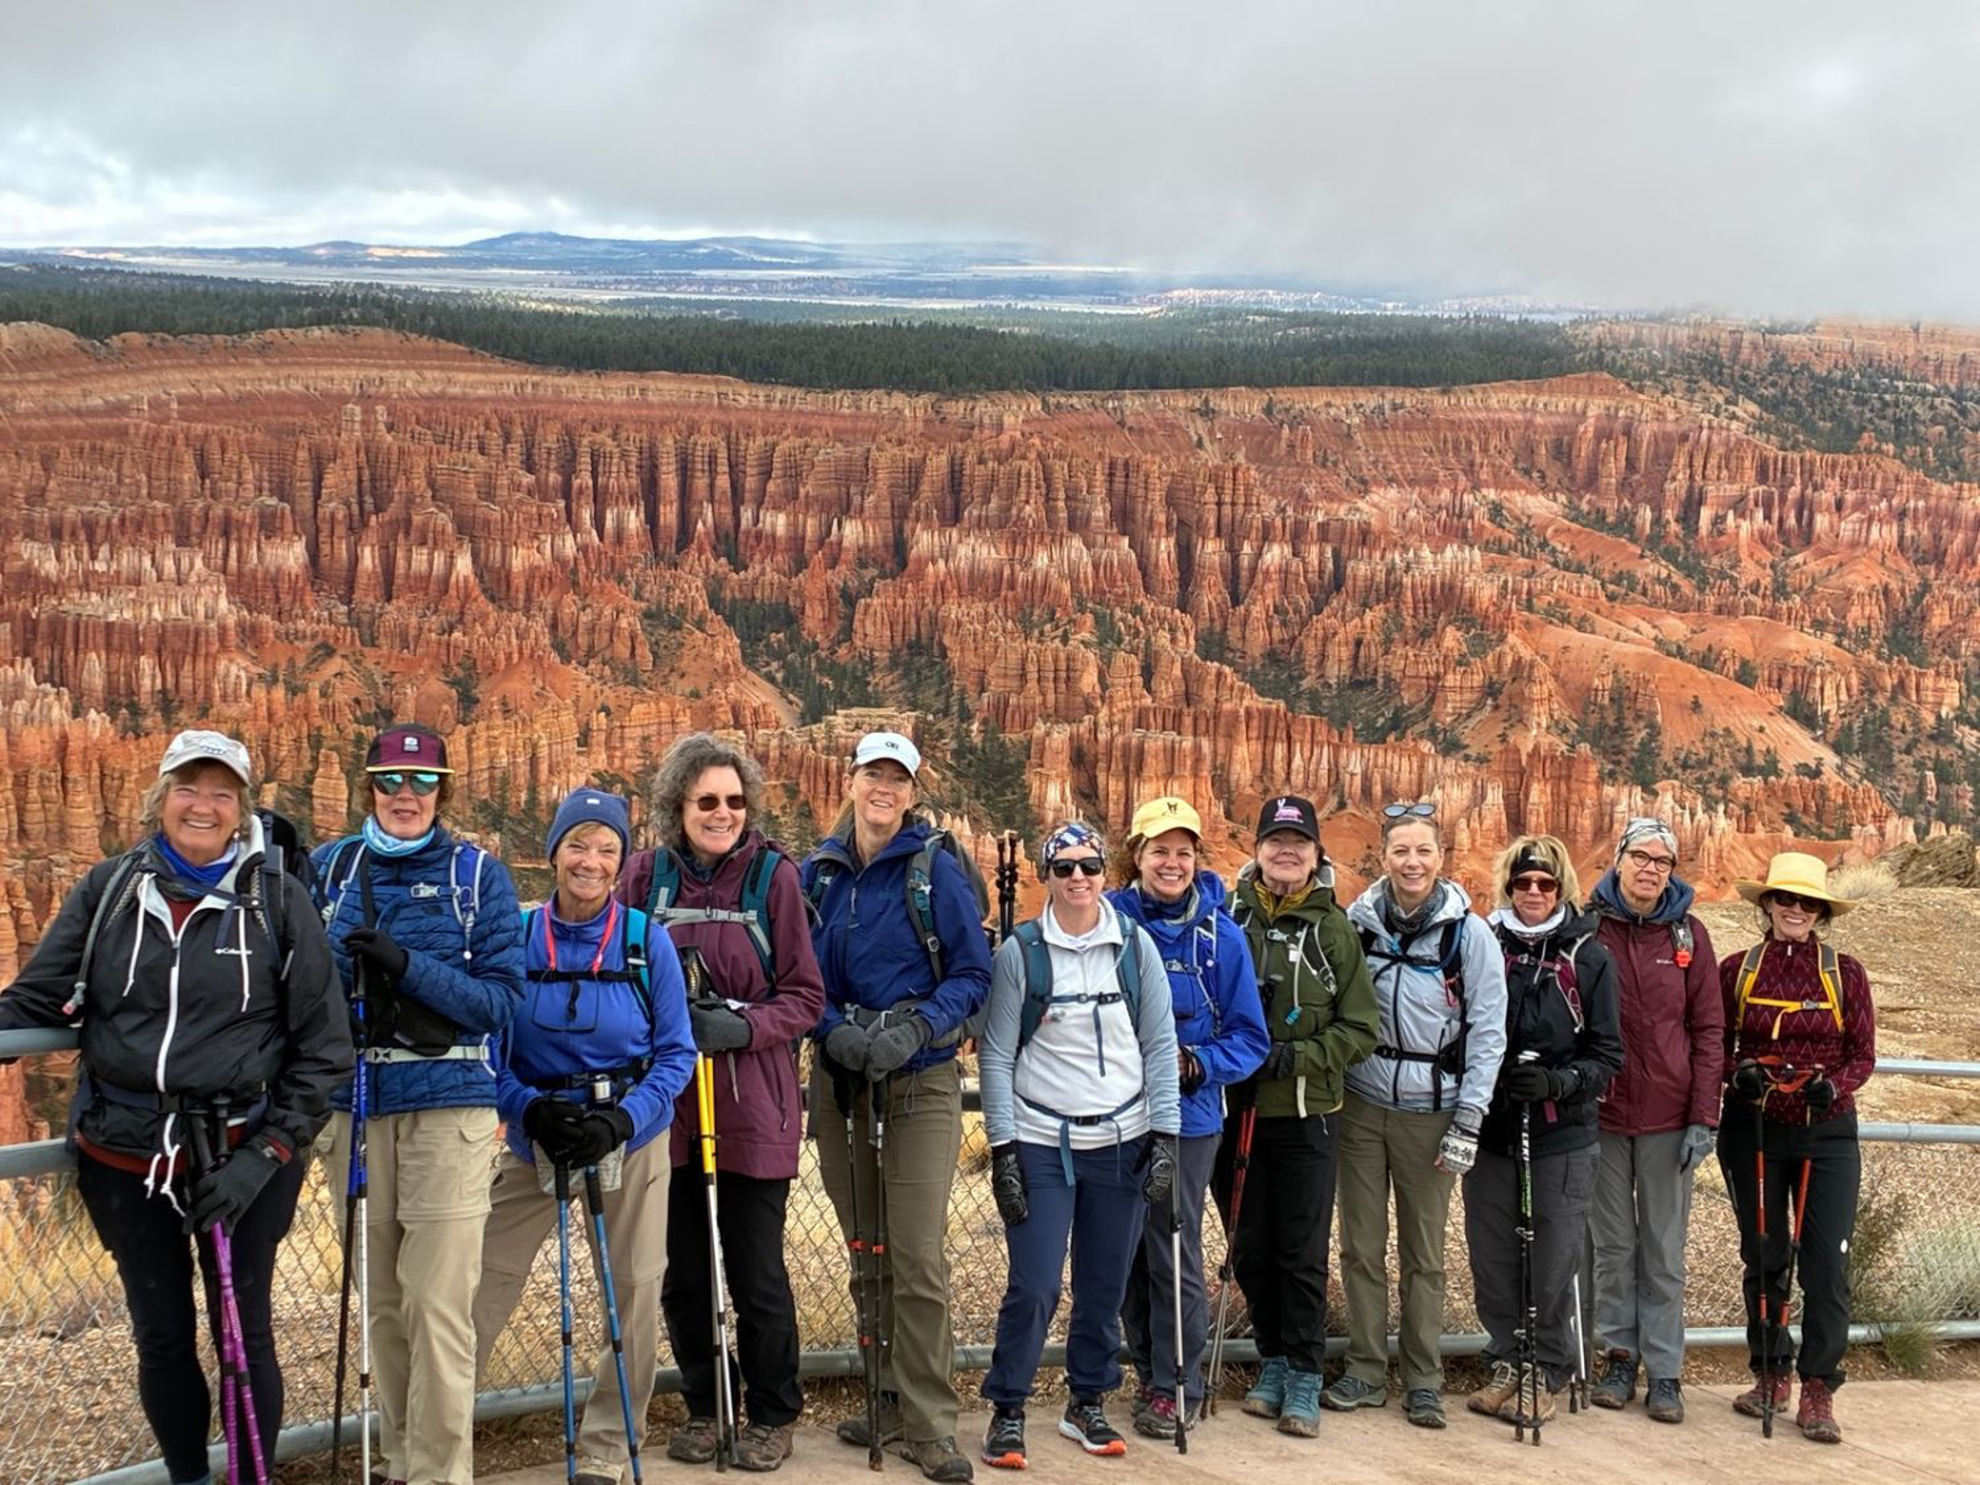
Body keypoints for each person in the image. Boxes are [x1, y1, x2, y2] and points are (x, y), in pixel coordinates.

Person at [0, 730, 351, 1484]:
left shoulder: (277, 899)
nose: (204, 804)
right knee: (161, 1334)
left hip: (244, 1150)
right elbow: (35, 994)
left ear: (242, 808)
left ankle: (251, 1476)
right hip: (125, 1153)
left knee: (243, 1332)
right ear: (161, 797)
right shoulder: (111, 888)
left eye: (222, 791)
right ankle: (190, 1475)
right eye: (189, 787)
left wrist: (266, 1154)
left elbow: (325, 1047)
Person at [314, 722, 525, 1485]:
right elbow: (298, 989)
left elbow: (500, 1002)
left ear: (444, 787)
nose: (406, 795)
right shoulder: (330, 869)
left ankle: (440, 1472)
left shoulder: (478, 876)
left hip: (449, 1110)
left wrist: (408, 968)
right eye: (390, 780)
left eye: (423, 781)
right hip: (355, 1108)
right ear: (367, 784)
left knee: (437, 1306)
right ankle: (400, 1461)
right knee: (383, 1303)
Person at [472, 788, 697, 1485]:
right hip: (536, 1131)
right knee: (477, 1286)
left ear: (621, 861)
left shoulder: (643, 939)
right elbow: (487, 1049)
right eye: (578, 844)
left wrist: (624, 1119)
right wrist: (526, 1109)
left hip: (628, 1133)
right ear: (553, 853)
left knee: (633, 1288)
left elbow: (677, 1052)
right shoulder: (514, 934)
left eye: (606, 848)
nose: (590, 861)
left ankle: (604, 1446)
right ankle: (431, 1439)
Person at [616, 734, 825, 1472]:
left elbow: (805, 995)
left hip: (752, 1107)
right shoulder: (644, 877)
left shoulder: (775, 878)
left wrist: (742, 1024)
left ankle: (772, 1411)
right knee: (683, 1271)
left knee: (756, 1270)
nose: (723, 812)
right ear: (678, 804)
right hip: (667, 1109)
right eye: (707, 800)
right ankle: (709, 1404)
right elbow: (617, 971)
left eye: (735, 800)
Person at [803, 730, 994, 1484]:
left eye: (897, 777)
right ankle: (882, 1395)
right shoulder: (818, 873)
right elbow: (799, 978)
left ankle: (929, 1421)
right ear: (849, 780)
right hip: (843, 1082)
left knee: (914, 1254)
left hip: (919, 1081)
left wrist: (915, 1024)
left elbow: (973, 975)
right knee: (866, 1248)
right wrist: (834, 1031)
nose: (883, 788)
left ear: (911, 790)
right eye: (871, 773)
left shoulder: (934, 869)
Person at [978, 822, 1181, 1467]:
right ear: (1046, 875)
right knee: (1035, 1283)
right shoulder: (1022, 952)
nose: (1077, 878)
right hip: (1042, 1141)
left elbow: (1158, 1045)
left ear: (1105, 873)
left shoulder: (1134, 948)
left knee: (1104, 1284)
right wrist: (1004, 1148)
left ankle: (1086, 1401)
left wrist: (1166, 1136)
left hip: (1121, 1141)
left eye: (1089, 866)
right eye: (1063, 868)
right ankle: (1008, 1407)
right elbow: (996, 1056)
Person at [1328, 800, 1507, 1429]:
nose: (1412, 861)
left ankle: (1424, 1378)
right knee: (1360, 1247)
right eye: (1400, 850)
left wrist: (1469, 1120)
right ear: (1382, 856)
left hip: (1433, 1111)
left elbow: (1488, 1032)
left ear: (1441, 857)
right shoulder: (1359, 923)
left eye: (1423, 850)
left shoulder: (1470, 934)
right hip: (1362, 1102)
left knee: (1424, 1253)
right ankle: (1365, 1370)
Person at [1109, 795, 1268, 1439]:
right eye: (1158, 850)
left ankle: (1179, 1382)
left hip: (1189, 1116)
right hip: (1113, 1113)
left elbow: (1250, 1039)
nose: (1171, 862)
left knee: (1172, 1249)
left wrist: (1194, 1061)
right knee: (1117, 1253)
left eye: (1183, 851)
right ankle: (1146, 1367)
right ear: (1137, 856)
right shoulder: (1108, 921)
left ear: (1196, 858)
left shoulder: (1220, 936)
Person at [1222, 795, 1379, 1436]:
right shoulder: (1229, 920)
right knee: (1250, 1247)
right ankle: (1273, 1362)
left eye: (1299, 842)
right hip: (1237, 1110)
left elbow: (1361, 1028)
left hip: (1307, 1114)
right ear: (1256, 850)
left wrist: (1297, 1058)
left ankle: (1306, 1371)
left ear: (1317, 854)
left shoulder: (1334, 929)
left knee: (1300, 1250)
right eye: (1275, 840)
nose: (1287, 851)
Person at [1464, 834, 1623, 1426]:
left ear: (1562, 889)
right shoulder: (1483, 941)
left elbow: (1608, 1054)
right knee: (1492, 1256)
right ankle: (1507, 1361)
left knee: (1554, 1257)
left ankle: (1548, 1370)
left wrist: (1558, 1083)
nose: (1533, 892)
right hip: (1492, 1129)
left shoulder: (1588, 956)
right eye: (1523, 882)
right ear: (1509, 885)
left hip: (1561, 1135)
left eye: (1546, 884)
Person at [1717, 852, 1875, 1445]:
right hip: (1752, 1129)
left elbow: (1862, 1053)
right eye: (1786, 898)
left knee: (1826, 1262)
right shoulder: (1738, 970)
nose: (1796, 909)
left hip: (1825, 1130)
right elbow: (1718, 1043)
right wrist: (1739, 1075)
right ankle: (1770, 1373)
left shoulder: (1845, 974)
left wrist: (1835, 1085)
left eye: (1808, 902)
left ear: (1821, 911)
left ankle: (1818, 1386)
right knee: (1763, 1254)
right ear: (1768, 904)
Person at [1586, 816, 1723, 1424]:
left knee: (1664, 1252)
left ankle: (1665, 1372)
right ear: (1618, 859)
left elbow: (1710, 1030)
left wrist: (1704, 1114)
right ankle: (1618, 1355)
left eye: (1662, 861)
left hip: (1670, 1118)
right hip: (1603, 1115)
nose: (1650, 869)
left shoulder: (1689, 936)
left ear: (1673, 870)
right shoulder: (1591, 929)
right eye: (1640, 856)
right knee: (1612, 1246)